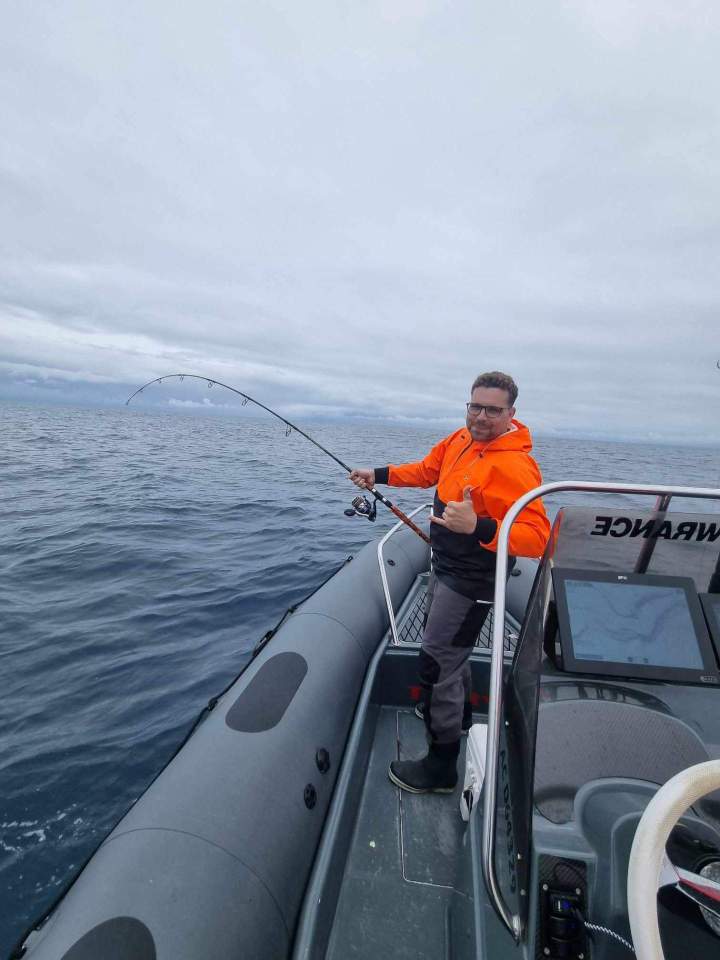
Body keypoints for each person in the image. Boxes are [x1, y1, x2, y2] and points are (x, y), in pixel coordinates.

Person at [349, 371, 550, 794]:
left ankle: (442, 768)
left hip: (473, 579)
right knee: (449, 657)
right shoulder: (459, 440)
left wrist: (479, 526)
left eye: (492, 410)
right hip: (444, 564)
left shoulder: (516, 465)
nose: (481, 416)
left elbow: (537, 537)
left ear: (511, 414)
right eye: (474, 406)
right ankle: (456, 719)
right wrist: (378, 474)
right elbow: (426, 471)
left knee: (438, 662)